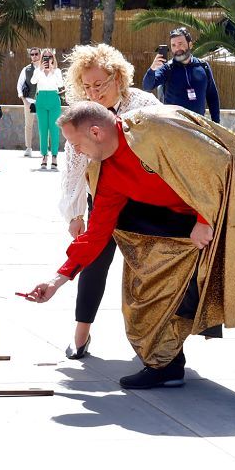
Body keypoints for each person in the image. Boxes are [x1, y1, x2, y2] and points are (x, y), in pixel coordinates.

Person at [23, 102, 235, 405]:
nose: (76, 151)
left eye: (76, 144)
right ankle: (165, 364)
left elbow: (219, 161)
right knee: (155, 274)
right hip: (186, 211)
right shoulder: (106, 170)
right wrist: (57, 280)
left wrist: (204, 218)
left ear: (95, 131)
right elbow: (97, 233)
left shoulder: (155, 127)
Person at [58, 43, 162, 359]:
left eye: (99, 84)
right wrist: (74, 213)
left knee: (149, 273)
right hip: (101, 199)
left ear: (117, 77)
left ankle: (156, 344)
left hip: (144, 202)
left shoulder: (144, 105)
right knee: (93, 263)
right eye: (86, 86)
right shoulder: (83, 113)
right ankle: (81, 335)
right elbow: (72, 164)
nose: (93, 92)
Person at [142, 27, 221, 123]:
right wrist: (152, 69)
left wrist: (216, 123)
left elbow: (212, 96)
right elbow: (147, 86)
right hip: (174, 129)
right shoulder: (167, 68)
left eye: (180, 44)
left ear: (190, 44)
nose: (177, 48)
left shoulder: (203, 66)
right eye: (173, 45)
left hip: (198, 126)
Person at [31, 48, 63, 169]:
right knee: (43, 129)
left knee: (54, 129)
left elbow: (60, 85)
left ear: (53, 58)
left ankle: (54, 155)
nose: (47, 59)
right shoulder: (38, 70)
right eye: (45, 56)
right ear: (42, 58)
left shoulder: (57, 71)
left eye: (50, 57)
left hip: (54, 98)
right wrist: (41, 70)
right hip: (41, 99)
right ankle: (44, 156)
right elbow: (33, 81)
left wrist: (51, 70)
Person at [16, 47, 41, 157]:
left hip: (42, 101)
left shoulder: (45, 68)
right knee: (28, 125)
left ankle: (44, 149)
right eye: (32, 54)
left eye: (36, 54)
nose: (34, 56)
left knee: (44, 126)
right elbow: (19, 85)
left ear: (40, 55)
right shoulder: (26, 69)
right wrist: (24, 101)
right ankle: (28, 148)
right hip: (29, 101)